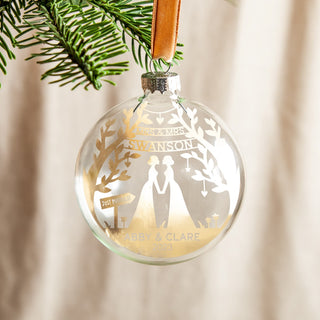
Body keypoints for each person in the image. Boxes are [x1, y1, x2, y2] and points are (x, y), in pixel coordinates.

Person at [161, 155, 195, 229]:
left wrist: (163, 189)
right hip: (173, 186)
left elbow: (167, 180)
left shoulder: (169, 169)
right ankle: (174, 222)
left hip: (171, 186)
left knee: (174, 203)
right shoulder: (169, 169)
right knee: (174, 203)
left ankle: (175, 222)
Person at [129, 156, 161, 229]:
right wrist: (159, 190)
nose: (158, 160)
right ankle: (147, 225)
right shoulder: (152, 170)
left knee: (148, 205)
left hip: (149, 186)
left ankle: (148, 225)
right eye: (157, 159)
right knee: (148, 205)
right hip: (150, 187)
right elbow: (154, 180)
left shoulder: (153, 169)